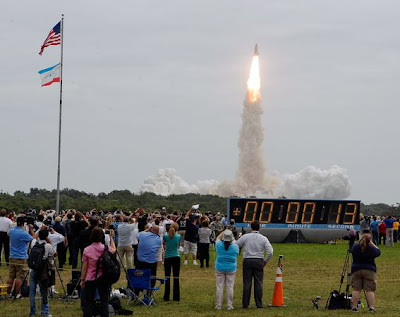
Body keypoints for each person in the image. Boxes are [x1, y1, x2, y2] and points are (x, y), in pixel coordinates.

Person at [236, 220, 273, 308]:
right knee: (259, 283)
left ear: (251, 227)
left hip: (248, 260)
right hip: (258, 260)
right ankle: (258, 304)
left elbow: (236, 245)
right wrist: (265, 261)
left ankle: (245, 304)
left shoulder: (245, 237)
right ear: (259, 228)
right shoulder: (263, 238)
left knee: (247, 283)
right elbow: (270, 252)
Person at [80, 227, 116, 317]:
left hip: (90, 277)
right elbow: (114, 250)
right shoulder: (106, 249)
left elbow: (85, 267)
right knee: (104, 301)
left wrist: (82, 279)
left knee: (89, 301)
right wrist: (111, 237)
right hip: (103, 277)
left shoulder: (87, 250)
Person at [350, 233, 380, 313]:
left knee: (356, 289)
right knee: (370, 290)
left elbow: (351, 251)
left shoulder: (355, 246)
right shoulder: (371, 248)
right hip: (369, 270)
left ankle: (354, 307)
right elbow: (378, 252)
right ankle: (371, 308)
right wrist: (372, 243)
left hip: (356, 269)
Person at [29, 229, 55, 317]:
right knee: (44, 291)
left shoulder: (34, 243)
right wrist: (49, 242)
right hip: (43, 271)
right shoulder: (47, 246)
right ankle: (45, 312)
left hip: (33, 269)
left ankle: (32, 312)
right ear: (47, 236)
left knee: (32, 292)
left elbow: (34, 238)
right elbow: (53, 254)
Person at [7, 216, 35, 297]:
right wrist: (30, 229)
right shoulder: (23, 234)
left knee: (11, 276)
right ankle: (17, 293)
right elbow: (33, 238)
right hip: (21, 257)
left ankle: (8, 293)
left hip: (12, 256)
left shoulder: (11, 231)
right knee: (20, 276)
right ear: (23, 224)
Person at [215, 229, 239, 310]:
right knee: (230, 286)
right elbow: (235, 243)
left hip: (220, 267)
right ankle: (229, 305)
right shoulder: (235, 247)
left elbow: (217, 238)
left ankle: (218, 305)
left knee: (219, 286)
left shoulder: (219, 245)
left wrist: (224, 231)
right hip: (231, 268)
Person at [163, 222, 181, 301]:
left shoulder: (165, 236)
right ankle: (176, 297)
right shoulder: (178, 236)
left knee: (167, 277)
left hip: (167, 257)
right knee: (176, 277)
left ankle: (166, 296)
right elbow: (179, 245)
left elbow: (164, 244)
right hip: (176, 256)